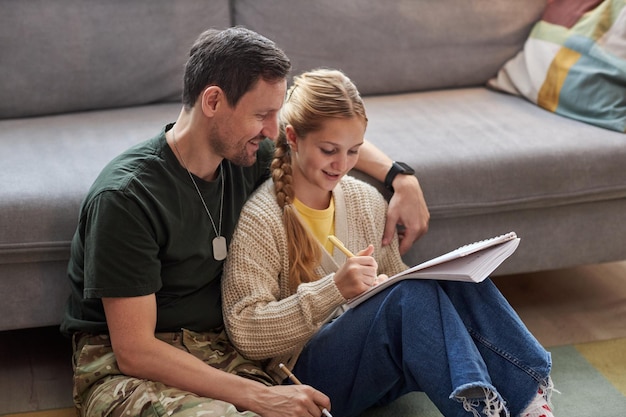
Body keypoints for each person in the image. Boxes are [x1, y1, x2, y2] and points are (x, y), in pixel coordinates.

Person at [60, 27, 429, 417]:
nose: (273, 130)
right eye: (262, 115)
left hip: (221, 349)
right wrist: (260, 397)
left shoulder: (244, 155)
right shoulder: (127, 197)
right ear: (214, 101)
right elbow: (135, 351)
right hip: (130, 367)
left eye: (276, 114)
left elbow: (321, 134)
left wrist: (401, 178)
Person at [221, 68, 556, 417]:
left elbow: (403, 287)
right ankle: (484, 412)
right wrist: (335, 288)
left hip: (375, 367)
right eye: (329, 150)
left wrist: (384, 287)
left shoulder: (365, 201)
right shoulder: (263, 218)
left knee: (457, 279)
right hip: (302, 378)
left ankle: (530, 402)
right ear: (292, 137)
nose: (342, 164)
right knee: (409, 296)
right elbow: (245, 330)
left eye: (353, 151)